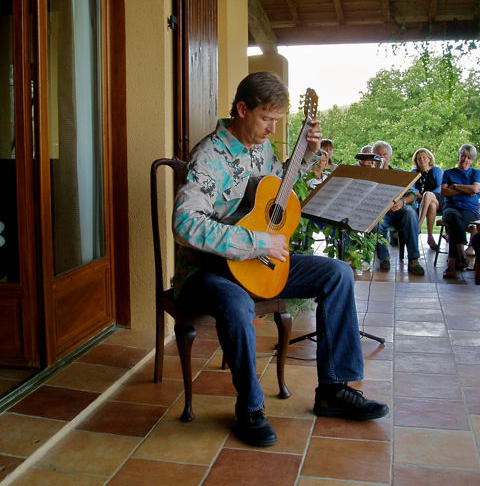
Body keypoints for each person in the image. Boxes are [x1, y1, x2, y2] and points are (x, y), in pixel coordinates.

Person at [173, 72, 389, 448]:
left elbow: (277, 187)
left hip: (259, 265)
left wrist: (304, 155)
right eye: (266, 119)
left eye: (277, 121)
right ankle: (251, 408)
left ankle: (334, 389)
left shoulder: (261, 149)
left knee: (337, 273)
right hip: (208, 270)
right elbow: (184, 223)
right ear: (242, 109)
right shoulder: (208, 156)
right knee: (237, 303)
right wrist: (257, 242)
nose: (272, 129)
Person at [372, 141, 425, 275]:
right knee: (376, 222)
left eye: (384, 154)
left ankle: (414, 259)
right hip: (381, 212)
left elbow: (412, 194)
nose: (382, 158)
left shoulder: (399, 173)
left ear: (390, 156)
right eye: (378, 155)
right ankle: (384, 258)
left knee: (410, 213)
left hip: (400, 210)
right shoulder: (369, 175)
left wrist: (402, 202)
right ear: (373, 157)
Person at [441, 144, 480, 279]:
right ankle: (461, 255)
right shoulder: (448, 173)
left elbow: (475, 190)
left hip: (469, 210)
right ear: (459, 156)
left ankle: (452, 262)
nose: (465, 160)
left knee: (455, 223)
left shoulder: (476, 173)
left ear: (472, 160)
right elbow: (444, 192)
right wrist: (466, 189)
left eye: (468, 158)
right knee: (454, 217)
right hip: (450, 208)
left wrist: (456, 186)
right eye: (463, 156)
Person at [410, 148, 444, 250]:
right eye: (419, 158)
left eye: (424, 157)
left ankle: (419, 224)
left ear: (429, 159)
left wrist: (426, 196)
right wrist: (418, 195)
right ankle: (430, 237)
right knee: (431, 206)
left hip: (437, 198)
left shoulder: (436, 170)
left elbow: (440, 187)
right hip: (421, 201)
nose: (422, 160)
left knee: (428, 195)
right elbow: (411, 187)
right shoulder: (414, 172)